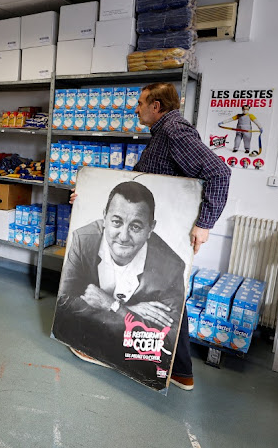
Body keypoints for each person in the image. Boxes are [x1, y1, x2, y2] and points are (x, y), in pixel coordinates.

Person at [66, 82, 231, 392]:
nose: (136, 108)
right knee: (170, 298)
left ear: (156, 106)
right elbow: (136, 185)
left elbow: (219, 173)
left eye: (141, 103)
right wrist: (87, 195)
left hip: (159, 233)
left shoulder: (174, 130)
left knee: (161, 294)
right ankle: (180, 371)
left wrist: (205, 223)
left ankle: (157, 363)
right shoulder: (163, 134)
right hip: (152, 231)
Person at [54, 181, 185, 384]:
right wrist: (132, 313)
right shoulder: (83, 239)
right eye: (116, 222)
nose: (123, 236)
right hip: (90, 348)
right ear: (104, 217)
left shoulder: (171, 268)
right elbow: (63, 305)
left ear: (151, 228)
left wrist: (115, 307)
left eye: (136, 226)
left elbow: (167, 341)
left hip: (131, 364)